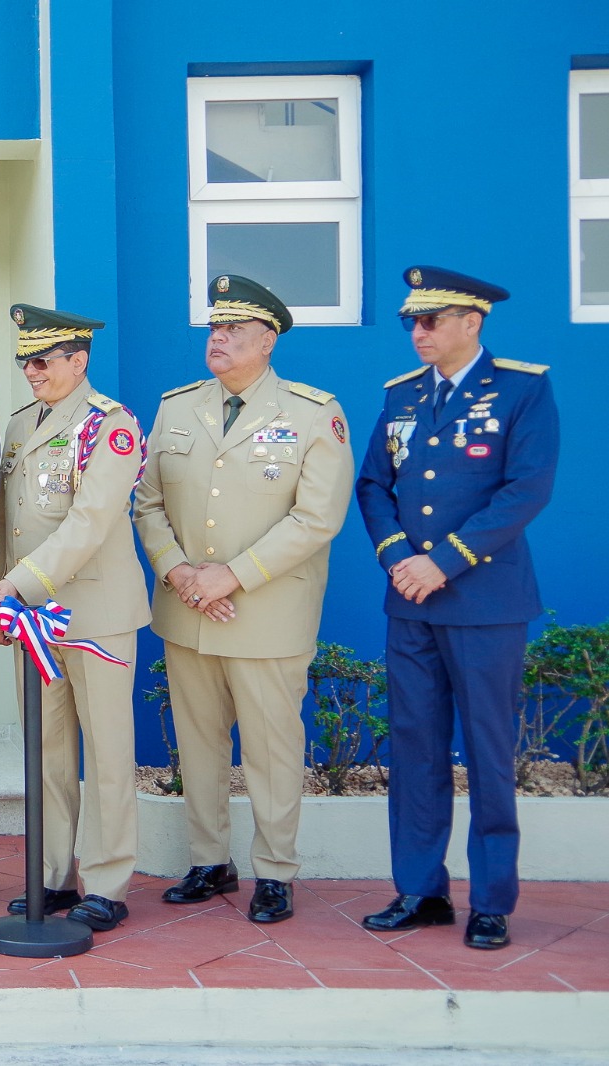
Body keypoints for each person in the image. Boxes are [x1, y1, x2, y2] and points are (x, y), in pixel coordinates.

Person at [134, 275, 353, 924]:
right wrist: (179, 572)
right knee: (199, 745)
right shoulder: (177, 407)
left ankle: (276, 871)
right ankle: (210, 861)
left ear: (268, 340)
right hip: (187, 610)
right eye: (214, 328)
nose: (218, 338)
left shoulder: (312, 413)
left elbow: (317, 518)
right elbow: (147, 503)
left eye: (234, 330)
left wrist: (231, 575)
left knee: (271, 749)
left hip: (265, 614)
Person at [356, 266, 559, 950]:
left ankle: (492, 900)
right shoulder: (403, 395)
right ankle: (420, 890)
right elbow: (373, 485)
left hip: (484, 603)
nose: (418, 332)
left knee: (489, 753)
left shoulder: (522, 389)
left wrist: (443, 561)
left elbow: (526, 489)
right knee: (415, 749)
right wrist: (397, 557)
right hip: (410, 602)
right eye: (411, 321)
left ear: (472, 322)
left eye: (431, 320)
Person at [0, 304, 151, 932]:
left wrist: (17, 584)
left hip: (96, 613)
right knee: (47, 750)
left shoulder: (111, 425)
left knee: (106, 751)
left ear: (79, 361)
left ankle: (106, 880)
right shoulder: (23, 423)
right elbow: (6, 522)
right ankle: (52, 875)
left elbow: (90, 521)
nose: (32, 370)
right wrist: (3, 594)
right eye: (26, 359)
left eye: (44, 360)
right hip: (34, 616)